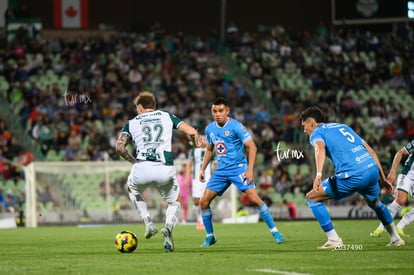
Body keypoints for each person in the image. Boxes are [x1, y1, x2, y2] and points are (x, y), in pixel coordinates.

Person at [300, 106, 404, 249]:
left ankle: (333, 239)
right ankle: (395, 238)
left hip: (353, 175)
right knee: (375, 203)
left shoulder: (317, 132)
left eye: (304, 126)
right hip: (371, 169)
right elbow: (371, 152)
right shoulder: (343, 127)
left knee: (312, 197)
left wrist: (318, 174)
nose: (304, 130)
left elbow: (320, 148)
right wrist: (383, 178)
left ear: (311, 122)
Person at [116, 91, 199, 252]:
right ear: (154, 106)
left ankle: (148, 223)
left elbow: (119, 147)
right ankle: (168, 228)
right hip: (164, 169)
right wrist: (194, 143)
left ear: (140, 107)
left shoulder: (132, 122)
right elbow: (192, 132)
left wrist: (133, 162)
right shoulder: (166, 115)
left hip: (142, 168)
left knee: (131, 190)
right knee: (174, 201)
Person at [198, 97, 284, 246]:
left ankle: (275, 231)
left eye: (220, 111)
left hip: (238, 168)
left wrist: (250, 170)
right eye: (214, 111)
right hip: (221, 171)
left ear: (227, 111)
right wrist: (203, 168)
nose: (217, 114)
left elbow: (252, 146)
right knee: (203, 202)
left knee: (254, 200)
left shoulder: (236, 126)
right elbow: (209, 149)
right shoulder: (209, 128)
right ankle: (210, 236)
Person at [370, 139, 414, 238]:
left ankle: (400, 226)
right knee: (400, 200)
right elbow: (400, 153)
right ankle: (380, 227)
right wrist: (393, 171)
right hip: (408, 174)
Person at [188, 135, 214, 230]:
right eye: (200, 139)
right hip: (196, 179)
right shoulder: (193, 151)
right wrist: (187, 177)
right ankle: (199, 218)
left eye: (204, 139)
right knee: (196, 201)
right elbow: (189, 164)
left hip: (208, 178)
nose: (203, 141)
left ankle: (202, 220)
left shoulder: (211, 151)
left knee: (205, 200)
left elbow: (215, 164)